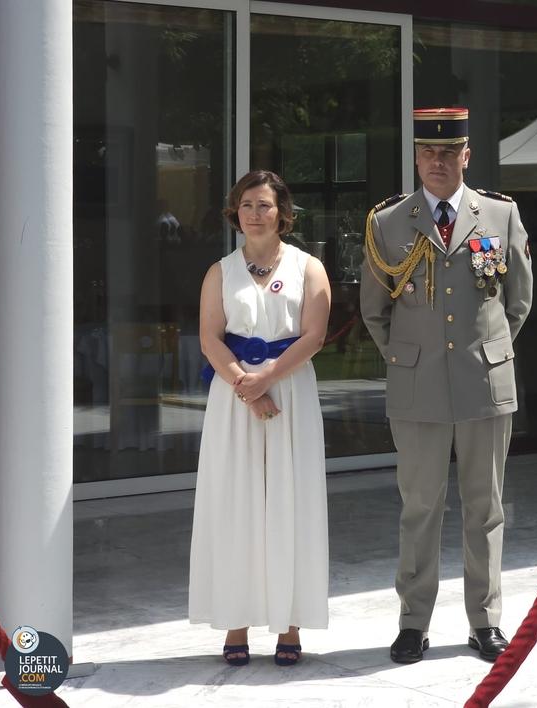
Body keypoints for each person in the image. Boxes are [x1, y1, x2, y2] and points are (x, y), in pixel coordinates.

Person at [360, 107, 533, 664]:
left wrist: (492, 351)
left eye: (448, 151)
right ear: (415, 156)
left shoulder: (500, 216)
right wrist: (405, 358)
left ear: (467, 155)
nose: (437, 161)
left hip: (483, 383)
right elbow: (373, 310)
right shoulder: (388, 223)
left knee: (485, 509)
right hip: (417, 389)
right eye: (427, 152)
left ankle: (486, 622)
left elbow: (519, 301)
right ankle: (414, 623)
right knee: (419, 508)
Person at [189, 170, 331, 667]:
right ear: (235, 212)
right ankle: (235, 623)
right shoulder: (219, 271)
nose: (254, 213)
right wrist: (248, 391)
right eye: (246, 205)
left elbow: (313, 336)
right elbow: (210, 338)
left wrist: (270, 376)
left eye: (264, 205)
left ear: (282, 213)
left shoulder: (308, 267)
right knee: (237, 507)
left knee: (290, 504)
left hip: (290, 392)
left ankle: (290, 626)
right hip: (235, 399)